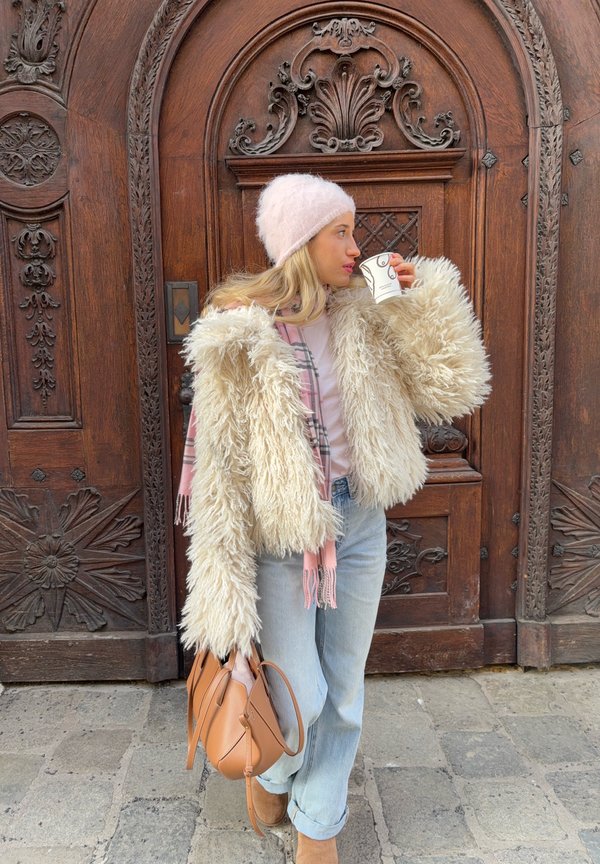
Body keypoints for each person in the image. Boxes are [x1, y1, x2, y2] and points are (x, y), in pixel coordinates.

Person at [176, 173, 491, 864]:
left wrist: (417, 302)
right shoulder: (239, 333)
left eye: (353, 230)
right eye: (339, 232)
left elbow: (454, 388)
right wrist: (221, 587)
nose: (355, 246)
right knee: (301, 697)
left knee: (343, 690)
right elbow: (218, 478)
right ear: (299, 241)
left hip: (359, 523)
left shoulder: (366, 313)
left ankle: (318, 829)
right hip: (283, 538)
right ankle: (275, 769)